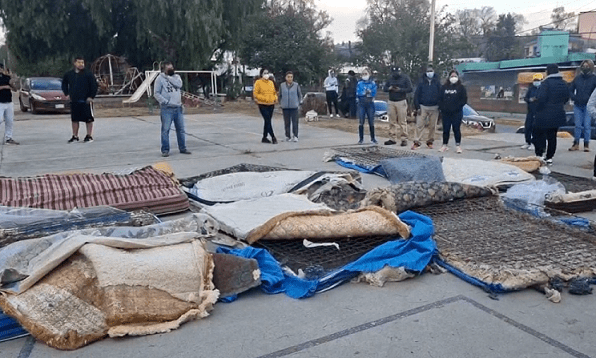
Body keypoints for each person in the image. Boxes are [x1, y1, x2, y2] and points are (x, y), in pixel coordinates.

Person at [533, 63, 570, 165]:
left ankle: (539, 154)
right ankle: (549, 157)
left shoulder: (545, 84)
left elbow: (541, 98)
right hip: (558, 113)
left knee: (539, 134)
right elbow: (567, 98)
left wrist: (536, 105)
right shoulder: (564, 83)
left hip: (544, 114)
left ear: (548, 71)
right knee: (552, 136)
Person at [153, 61, 191, 157]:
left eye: (172, 68)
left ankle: (182, 148)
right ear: (165, 69)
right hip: (167, 108)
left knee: (181, 129)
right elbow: (156, 93)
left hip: (178, 107)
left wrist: (169, 77)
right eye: (169, 69)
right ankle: (165, 150)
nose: (171, 70)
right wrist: (165, 101)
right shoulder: (159, 79)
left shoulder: (176, 77)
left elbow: (179, 85)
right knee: (165, 130)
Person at [62, 56, 98, 143]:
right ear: (74, 63)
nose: (81, 64)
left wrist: (91, 96)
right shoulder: (69, 74)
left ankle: (89, 136)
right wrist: (66, 94)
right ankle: (75, 136)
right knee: (74, 119)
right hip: (74, 100)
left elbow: (94, 86)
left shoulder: (88, 74)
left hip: (86, 100)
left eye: (82, 63)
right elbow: (64, 84)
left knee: (88, 119)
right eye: (79, 62)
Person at [569, 60, 596, 152]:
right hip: (578, 105)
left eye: (587, 66)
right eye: (583, 66)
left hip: (588, 106)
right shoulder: (577, 78)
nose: (585, 68)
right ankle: (576, 143)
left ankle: (586, 144)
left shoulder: (594, 78)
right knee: (577, 125)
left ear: (591, 67)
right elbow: (570, 89)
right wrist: (574, 98)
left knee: (587, 125)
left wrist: (592, 101)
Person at [438, 70, 467, 153]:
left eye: (455, 76)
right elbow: (440, 99)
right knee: (446, 129)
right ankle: (444, 145)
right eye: (452, 76)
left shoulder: (461, 88)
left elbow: (464, 100)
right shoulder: (444, 87)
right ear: (449, 77)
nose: (453, 78)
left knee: (456, 129)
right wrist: (442, 108)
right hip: (446, 113)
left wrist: (457, 107)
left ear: (458, 77)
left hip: (457, 113)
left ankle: (458, 146)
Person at [412, 64, 441, 149]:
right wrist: (417, 107)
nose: (429, 73)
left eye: (431, 71)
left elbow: (441, 95)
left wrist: (440, 106)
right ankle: (417, 141)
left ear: (434, 72)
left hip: (434, 107)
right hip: (423, 107)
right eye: (428, 71)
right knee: (419, 125)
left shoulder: (437, 83)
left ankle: (430, 141)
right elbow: (416, 95)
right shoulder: (421, 83)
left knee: (432, 126)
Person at [383, 66, 412, 146]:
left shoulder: (405, 78)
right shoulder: (390, 78)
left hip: (401, 101)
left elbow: (410, 89)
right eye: (394, 73)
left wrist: (400, 90)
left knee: (402, 121)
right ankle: (392, 138)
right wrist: (389, 88)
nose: (396, 74)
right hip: (391, 101)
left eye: (397, 72)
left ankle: (404, 139)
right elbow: (384, 88)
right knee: (392, 121)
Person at [253, 68, 278, 144]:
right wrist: (258, 99)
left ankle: (264, 137)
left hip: (271, 104)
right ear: (261, 74)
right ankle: (273, 137)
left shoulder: (271, 82)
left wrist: (275, 98)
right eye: (265, 73)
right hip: (262, 104)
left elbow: (274, 92)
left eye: (267, 73)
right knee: (267, 120)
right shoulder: (258, 82)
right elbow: (255, 93)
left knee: (268, 121)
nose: (266, 74)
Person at [278, 71, 302, 142]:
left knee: (295, 122)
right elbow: (280, 95)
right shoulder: (282, 86)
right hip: (285, 107)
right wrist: (281, 103)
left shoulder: (296, 85)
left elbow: (299, 95)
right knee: (286, 122)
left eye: (291, 77)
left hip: (294, 107)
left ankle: (295, 135)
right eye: (288, 77)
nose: (290, 78)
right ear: (286, 78)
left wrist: (299, 103)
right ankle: (287, 136)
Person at [521, 73, 543, 150]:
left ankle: (535, 143)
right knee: (528, 127)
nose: (536, 82)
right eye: (535, 80)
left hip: (539, 112)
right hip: (530, 111)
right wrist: (530, 100)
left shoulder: (543, 89)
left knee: (535, 128)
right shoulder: (531, 89)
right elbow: (526, 98)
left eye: (538, 80)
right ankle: (528, 142)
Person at [356, 68, 378, 144]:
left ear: (369, 74)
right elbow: (358, 92)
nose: (364, 75)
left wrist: (369, 93)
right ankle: (361, 139)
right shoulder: (359, 83)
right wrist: (364, 93)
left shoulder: (372, 83)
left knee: (371, 121)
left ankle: (373, 138)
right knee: (361, 121)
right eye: (363, 74)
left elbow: (374, 92)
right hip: (361, 103)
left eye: (366, 74)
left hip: (370, 103)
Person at [0, 64, 19, 145]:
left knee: (10, 121)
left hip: (8, 101)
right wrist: (4, 87)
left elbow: (15, 89)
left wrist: (12, 84)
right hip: (0, 102)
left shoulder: (7, 77)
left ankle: (9, 138)